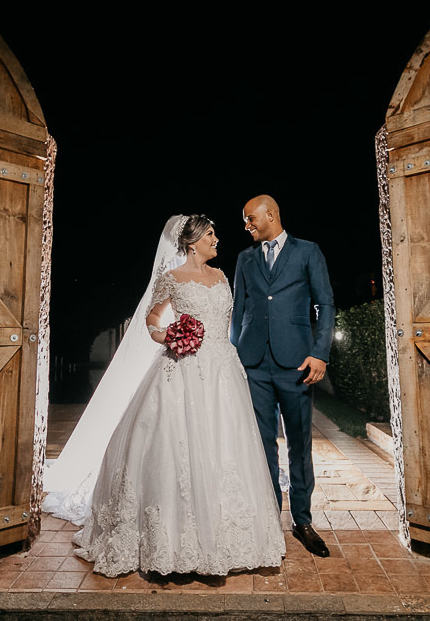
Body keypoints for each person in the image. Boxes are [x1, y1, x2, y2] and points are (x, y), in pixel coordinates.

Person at [44, 215, 284, 577]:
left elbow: (227, 322)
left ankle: (231, 536)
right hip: (183, 368)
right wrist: (168, 335)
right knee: (178, 445)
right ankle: (173, 539)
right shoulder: (171, 278)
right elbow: (152, 318)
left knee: (226, 445)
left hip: (223, 372)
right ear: (193, 242)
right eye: (210, 234)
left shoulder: (221, 277)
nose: (216, 240)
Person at [231, 195, 335, 558]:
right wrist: (235, 356)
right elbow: (238, 311)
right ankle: (268, 518)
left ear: (271, 215)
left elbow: (325, 304)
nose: (246, 225)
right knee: (261, 444)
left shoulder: (308, 251)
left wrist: (320, 353)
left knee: (299, 443)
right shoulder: (244, 259)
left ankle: (302, 521)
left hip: (297, 364)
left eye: (250, 218)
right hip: (254, 364)